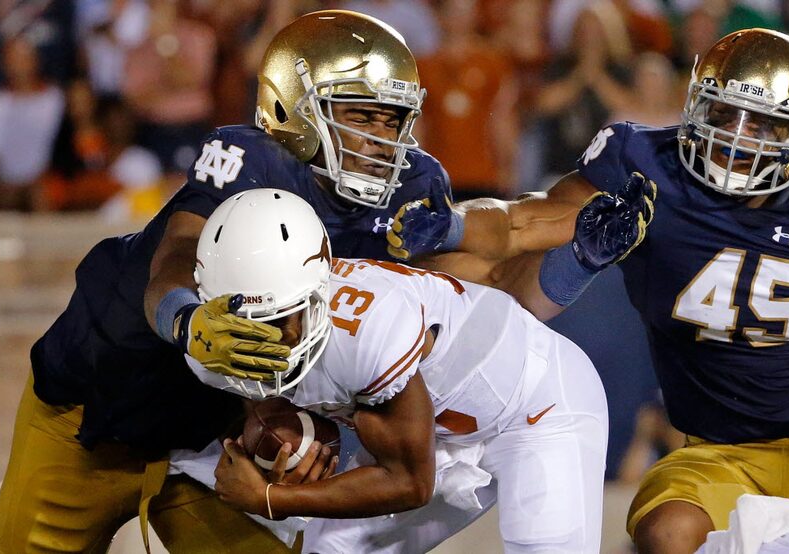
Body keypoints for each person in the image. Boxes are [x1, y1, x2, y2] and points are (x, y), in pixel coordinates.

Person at [0, 10, 451, 554]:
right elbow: (180, 250)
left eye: (392, 119)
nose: (380, 141)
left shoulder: (413, 191)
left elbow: (448, 288)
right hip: (95, 413)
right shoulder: (253, 159)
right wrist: (185, 319)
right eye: (360, 116)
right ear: (292, 111)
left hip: (219, 441)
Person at [387, 28, 789, 554]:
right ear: (695, 105)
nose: (736, 138)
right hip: (720, 452)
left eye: (765, 125)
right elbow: (524, 221)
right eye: (724, 115)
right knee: (669, 532)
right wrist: (450, 225)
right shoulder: (648, 167)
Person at [187, 188, 609, 553]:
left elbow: (410, 483)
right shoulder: (210, 348)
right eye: (250, 328)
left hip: (540, 403)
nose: (277, 340)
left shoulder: (370, 327)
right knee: (331, 549)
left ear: (317, 289)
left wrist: (269, 499)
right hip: (435, 430)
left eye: (285, 318)